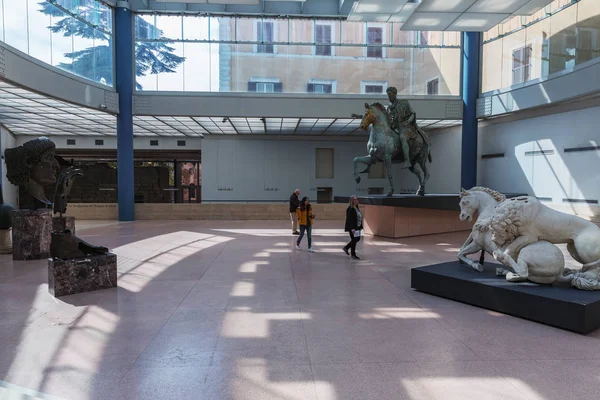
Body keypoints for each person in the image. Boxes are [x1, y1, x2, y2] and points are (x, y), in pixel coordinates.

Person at [385, 86, 413, 169]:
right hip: (395, 127)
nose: (388, 96)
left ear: (395, 94)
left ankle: (407, 161)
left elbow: (412, 113)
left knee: (402, 138)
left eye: (390, 94)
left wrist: (408, 121)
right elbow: (387, 118)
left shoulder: (404, 102)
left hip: (405, 127)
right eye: (387, 94)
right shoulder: (389, 106)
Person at [343, 195, 363, 260]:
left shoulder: (356, 208)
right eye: (354, 199)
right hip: (353, 227)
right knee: (355, 240)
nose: (355, 200)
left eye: (356, 199)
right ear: (351, 201)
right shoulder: (350, 209)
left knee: (356, 239)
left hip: (358, 226)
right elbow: (349, 219)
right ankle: (353, 254)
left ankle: (346, 248)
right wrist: (352, 228)